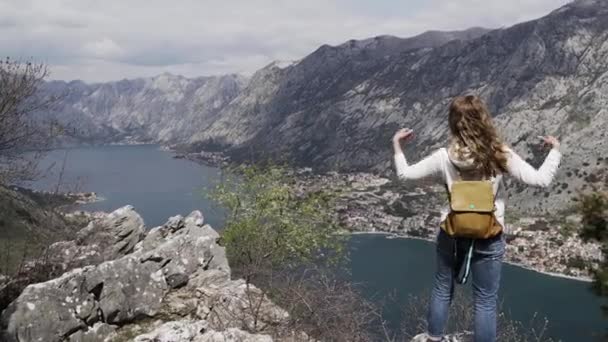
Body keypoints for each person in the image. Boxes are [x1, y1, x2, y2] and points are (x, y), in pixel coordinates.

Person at [392, 95, 561, 342]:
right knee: (485, 300)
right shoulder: (500, 154)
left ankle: (433, 337)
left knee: (442, 288)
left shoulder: (443, 157)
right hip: (489, 234)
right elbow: (541, 180)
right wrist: (555, 150)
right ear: (484, 120)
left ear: (452, 123)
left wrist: (397, 145)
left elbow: (405, 176)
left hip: (451, 231)